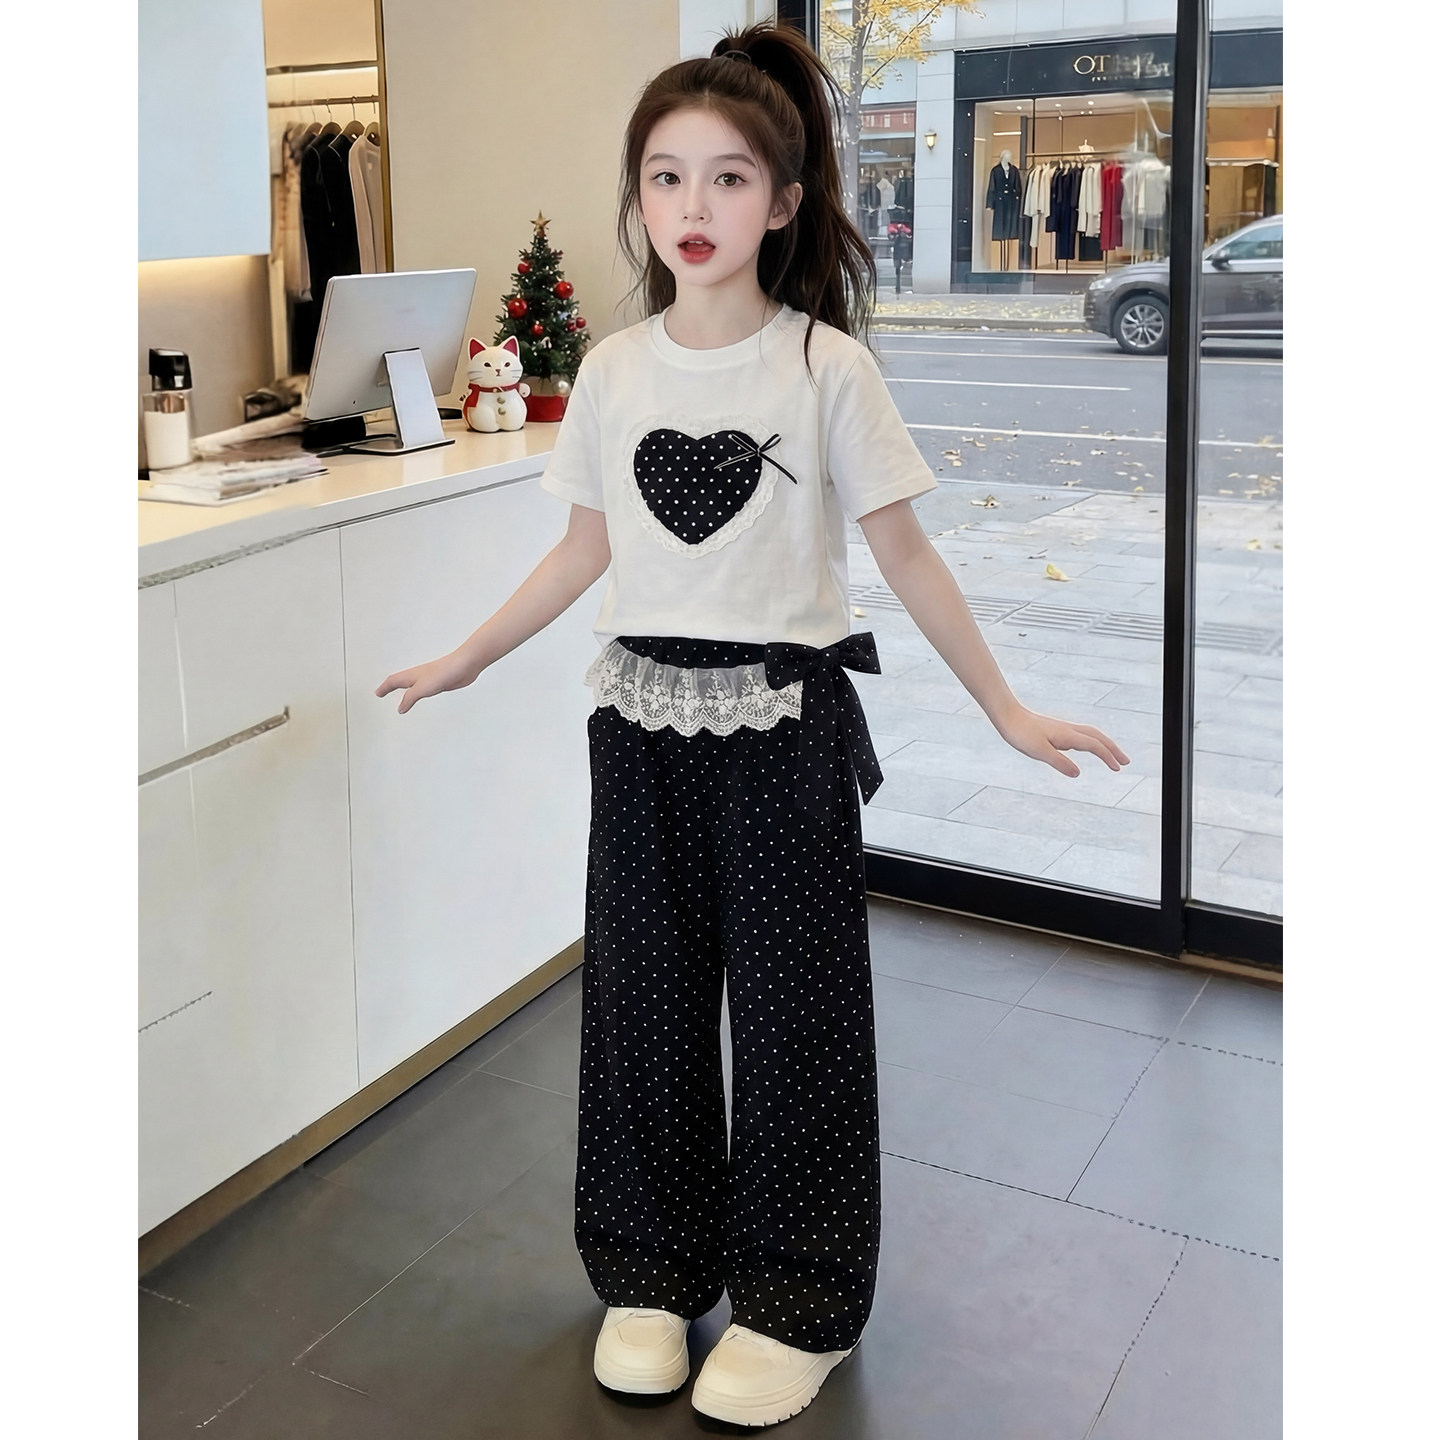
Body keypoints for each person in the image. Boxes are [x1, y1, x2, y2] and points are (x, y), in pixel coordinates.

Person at [374, 19, 1130, 1430]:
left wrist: (1008, 708)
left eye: (729, 178)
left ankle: (796, 1301)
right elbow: (585, 551)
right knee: (641, 1011)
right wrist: (468, 656)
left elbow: (906, 554)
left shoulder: (825, 369)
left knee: (797, 1023)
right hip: (638, 723)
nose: (694, 206)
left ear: (784, 202)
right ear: (637, 195)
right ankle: (650, 1275)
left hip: (784, 727)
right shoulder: (614, 372)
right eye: (666, 176)